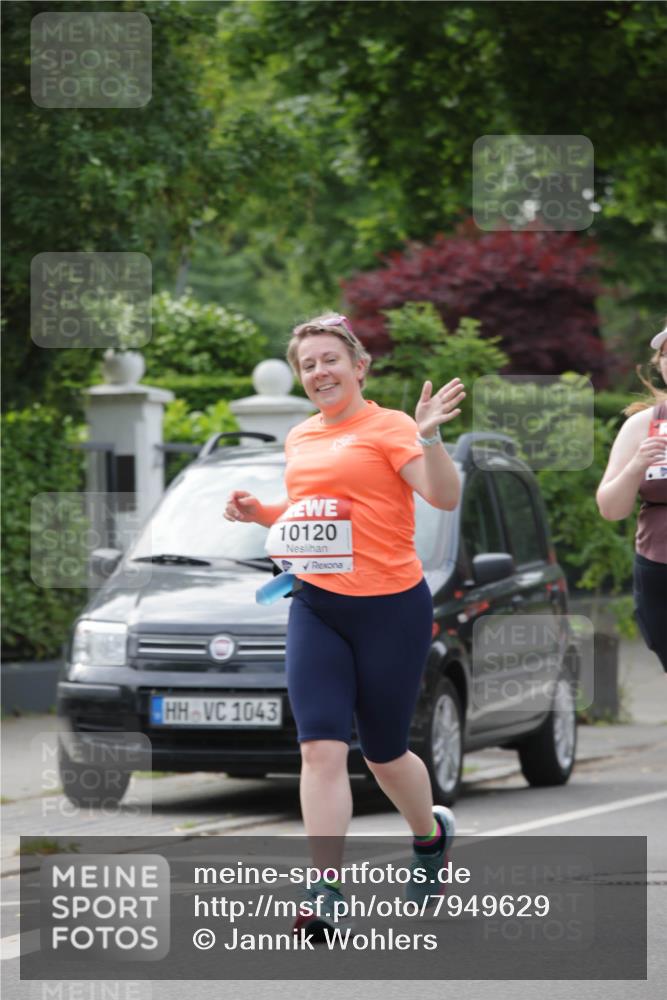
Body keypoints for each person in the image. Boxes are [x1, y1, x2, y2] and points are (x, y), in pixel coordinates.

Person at [224, 312, 463, 938]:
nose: (319, 372)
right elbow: (311, 510)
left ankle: (429, 834)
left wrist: (430, 438)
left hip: (391, 607)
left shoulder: (391, 427)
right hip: (317, 603)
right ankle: (325, 885)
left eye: (330, 359)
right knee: (320, 746)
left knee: (385, 753)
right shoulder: (300, 437)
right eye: (308, 365)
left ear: (359, 367)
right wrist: (262, 513)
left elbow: (442, 497)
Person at [596, 325, 667, 672]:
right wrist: (637, 464)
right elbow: (611, 508)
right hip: (659, 571)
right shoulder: (642, 426)